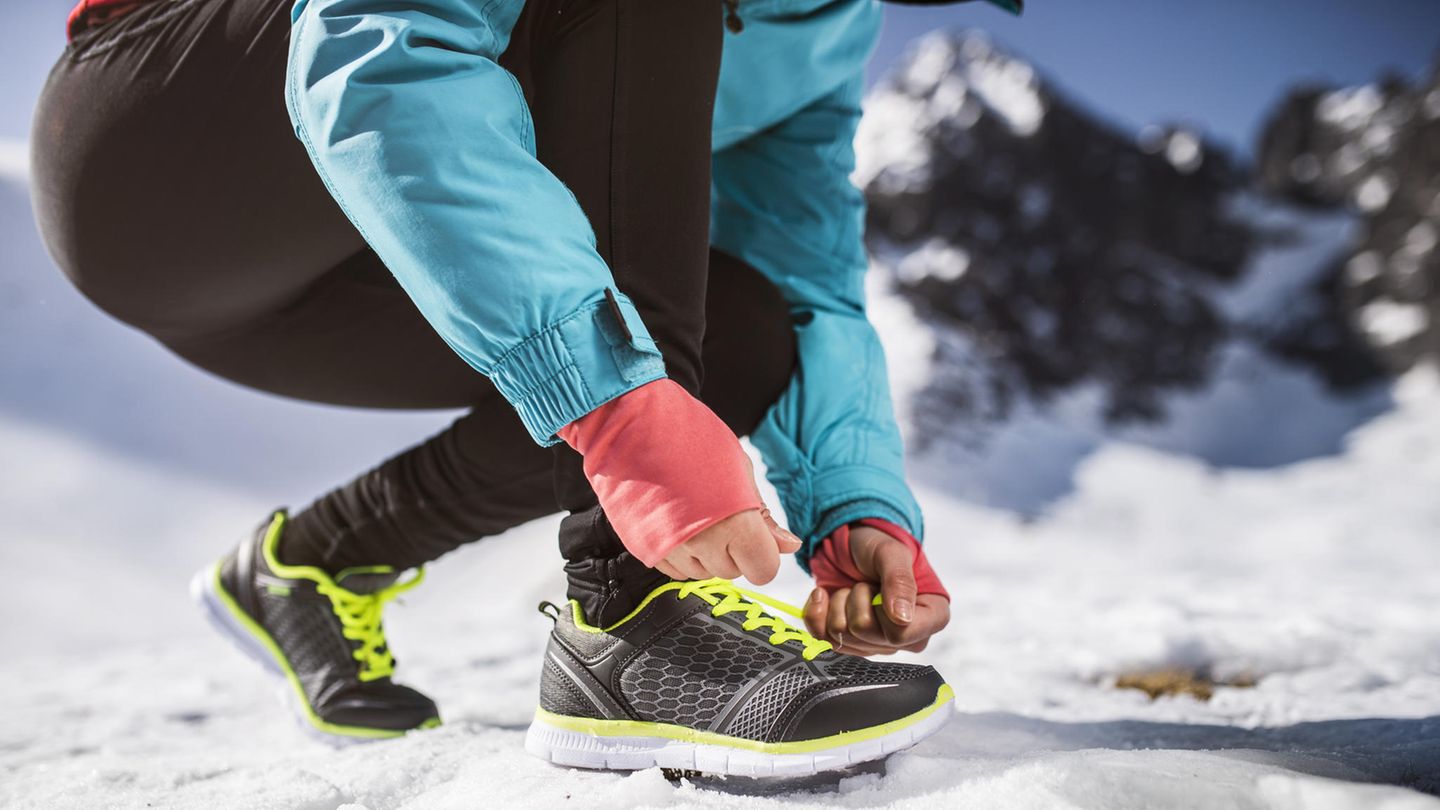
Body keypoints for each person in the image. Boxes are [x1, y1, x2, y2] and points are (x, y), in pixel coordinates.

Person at [33, 0, 1016, 777]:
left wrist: (854, 503)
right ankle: (629, 618)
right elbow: (384, 50)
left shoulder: (830, 18)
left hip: (375, 249)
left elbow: (803, 275)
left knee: (746, 336)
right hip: (156, 165)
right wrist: (615, 401)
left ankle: (316, 561)